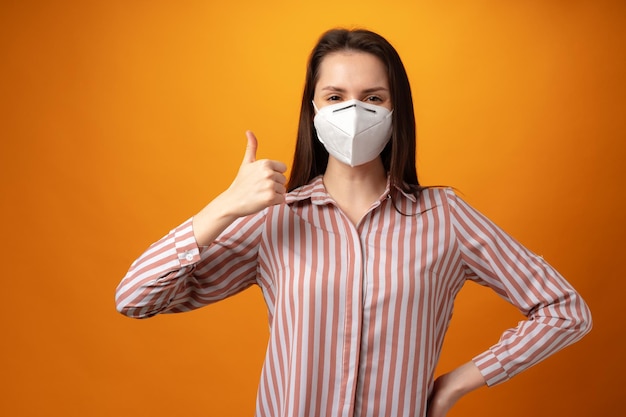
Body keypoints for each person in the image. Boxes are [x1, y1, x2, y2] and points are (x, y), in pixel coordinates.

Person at [115, 28, 592, 417]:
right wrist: (222, 207)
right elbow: (135, 299)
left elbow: (564, 310)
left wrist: (453, 386)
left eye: (373, 97)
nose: (354, 110)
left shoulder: (444, 218)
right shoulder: (273, 221)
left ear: (395, 108)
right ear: (314, 110)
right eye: (335, 96)